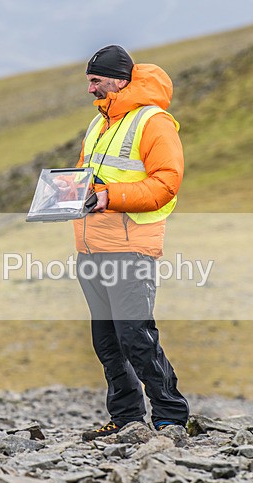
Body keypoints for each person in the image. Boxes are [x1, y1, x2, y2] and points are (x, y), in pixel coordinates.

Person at [73, 45, 190, 440]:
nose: (90, 88)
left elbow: (166, 183)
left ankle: (170, 415)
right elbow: (84, 178)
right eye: (89, 81)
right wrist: (61, 194)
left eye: (96, 80)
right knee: (106, 342)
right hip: (90, 248)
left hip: (130, 247)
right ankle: (126, 419)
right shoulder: (98, 123)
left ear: (119, 80)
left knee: (135, 336)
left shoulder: (153, 122)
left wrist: (112, 196)